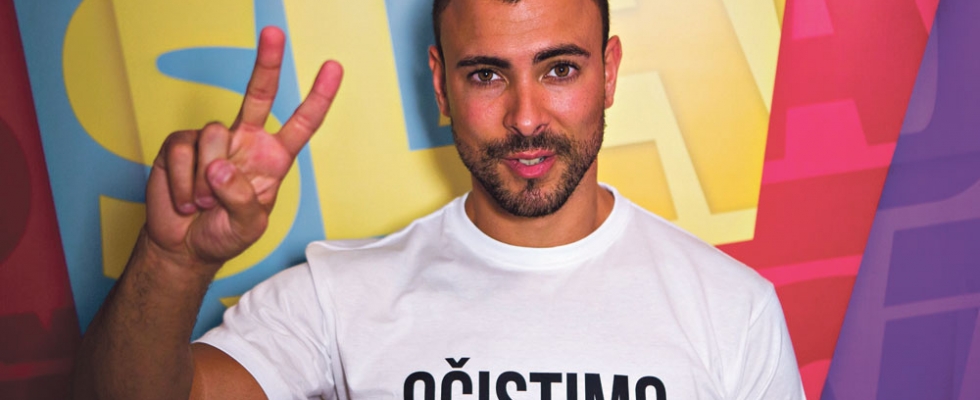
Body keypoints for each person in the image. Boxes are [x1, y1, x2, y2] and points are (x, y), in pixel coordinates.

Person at [73, 0, 806, 399]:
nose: (525, 118)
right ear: (441, 84)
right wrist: (171, 263)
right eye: (487, 75)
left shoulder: (731, 308)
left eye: (559, 69)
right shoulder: (339, 295)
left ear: (609, 73)